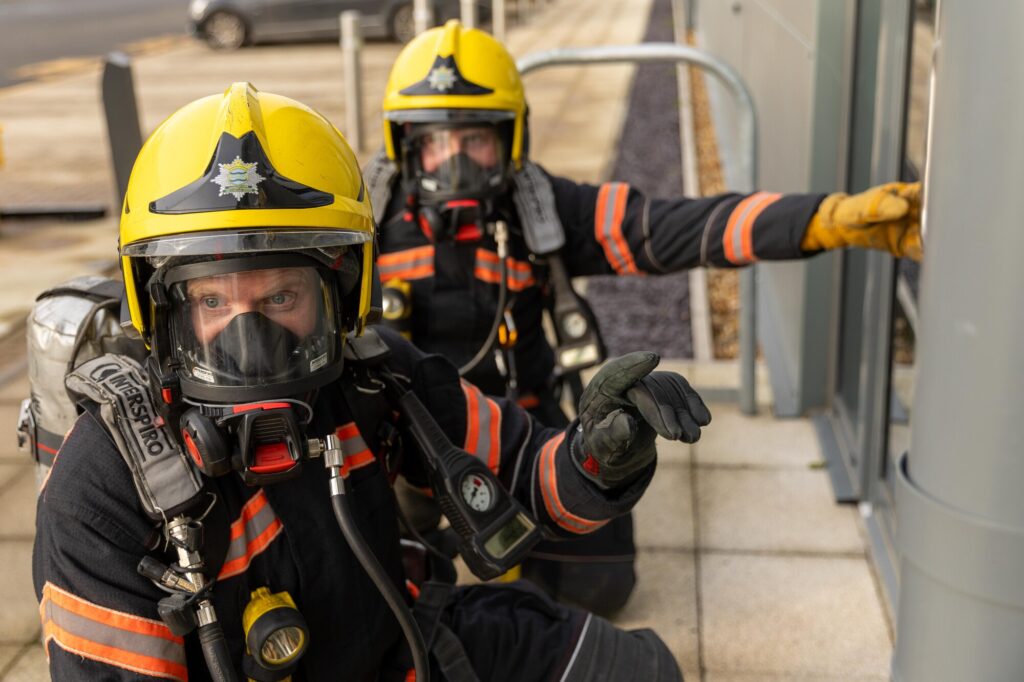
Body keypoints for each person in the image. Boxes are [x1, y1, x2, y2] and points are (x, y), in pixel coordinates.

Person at [32, 82, 709, 682]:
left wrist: (601, 453)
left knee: (642, 670)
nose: (250, 335)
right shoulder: (102, 489)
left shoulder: (376, 380)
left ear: (343, 290)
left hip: (404, 644)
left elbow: (529, 473)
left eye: (280, 297)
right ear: (160, 305)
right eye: (213, 302)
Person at [365, 20, 922, 614]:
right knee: (394, 602)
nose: (456, 166)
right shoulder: (367, 223)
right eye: (435, 143)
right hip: (413, 435)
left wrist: (824, 220)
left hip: (525, 430)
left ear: (510, 140)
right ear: (403, 145)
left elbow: (670, 226)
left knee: (599, 589)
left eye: (474, 140)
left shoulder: (541, 209)